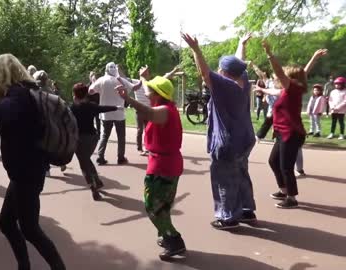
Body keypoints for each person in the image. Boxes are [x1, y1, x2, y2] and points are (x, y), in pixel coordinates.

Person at [0, 54, 66, 270]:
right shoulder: (26, 91)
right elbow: (5, 112)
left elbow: (6, 110)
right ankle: (24, 266)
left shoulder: (18, 94)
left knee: (30, 229)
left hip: (27, 172)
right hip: (26, 171)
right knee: (8, 223)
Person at [183, 32, 257, 229]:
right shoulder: (243, 80)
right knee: (241, 174)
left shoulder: (225, 86)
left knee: (224, 180)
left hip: (228, 143)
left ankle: (228, 217)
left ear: (224, 73)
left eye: (220, 68)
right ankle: (247, 210)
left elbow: (205, 73)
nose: (218, 70)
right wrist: (241, 43)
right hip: (245, 139)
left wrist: (196, 49)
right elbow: (239, 61)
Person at [117, 72, 186, 260]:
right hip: (165, 163)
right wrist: (144, 78)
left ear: (158, 93)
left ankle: (174, 240)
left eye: (151, 90)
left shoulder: (164, 111)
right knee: (162, 206)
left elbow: (148, 113)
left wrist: (127, 98)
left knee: (152, 207)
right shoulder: (165, 106)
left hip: (163, 166)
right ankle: (167, 235)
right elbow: (148, 95)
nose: (147, 92)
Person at [257, 42, 327, 209]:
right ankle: (284, 190)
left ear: (291, 79)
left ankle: (292, 198)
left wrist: (269, 54)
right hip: (283, 133)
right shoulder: (290, 89)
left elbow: (280, 72)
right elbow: (302, 73)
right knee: (273, 161)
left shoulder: (292, 87)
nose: (280, 78)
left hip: (292, 133)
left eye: (285, 76)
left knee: (286, 166)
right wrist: (314, 58)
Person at [70, 83, 121, 201]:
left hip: (79, 139)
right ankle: (97, 181)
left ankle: (93, 187)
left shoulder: (72, 108)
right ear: (86, 93)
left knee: (84, 163)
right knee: (86, 159)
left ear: (74, 94)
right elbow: (103, 108)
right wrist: (116, 107)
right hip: (92, 138)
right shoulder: (91, 106)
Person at [89, 62, 141, 165]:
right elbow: (135, 87)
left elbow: (90, 91)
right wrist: (143, 78)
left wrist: (94, 83)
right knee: (121, 137)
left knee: (104, 136)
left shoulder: (101, 80)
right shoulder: (120, 80)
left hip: (106, 113)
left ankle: (100, 157)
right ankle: (120, 157)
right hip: (119, 113)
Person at [88, 71, 101, 136]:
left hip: (97, 105)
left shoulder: (98, 85)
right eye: (91, 76)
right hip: (90, 106)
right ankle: (91, 132)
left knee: (98, 120)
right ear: (89, 77)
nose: (93, 77)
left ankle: (99, 133)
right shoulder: (87, 86)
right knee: (90, 120)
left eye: (94, 75)